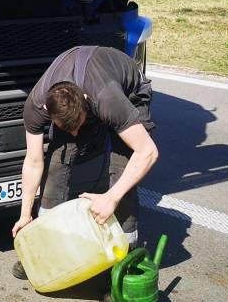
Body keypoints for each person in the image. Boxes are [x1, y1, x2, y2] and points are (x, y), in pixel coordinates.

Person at [11, 45, 159, 274]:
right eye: (67, 128)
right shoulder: (36, 106)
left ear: (87, 105)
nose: (75, 134)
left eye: (78, 125)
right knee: (56, 163)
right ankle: (47, 246)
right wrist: (25, 214)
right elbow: (33, 161)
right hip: (87, 95)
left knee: (122, 170)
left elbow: (148, 152)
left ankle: (124, 264)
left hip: (128, 94)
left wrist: (111, 197)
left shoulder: (107, 100)